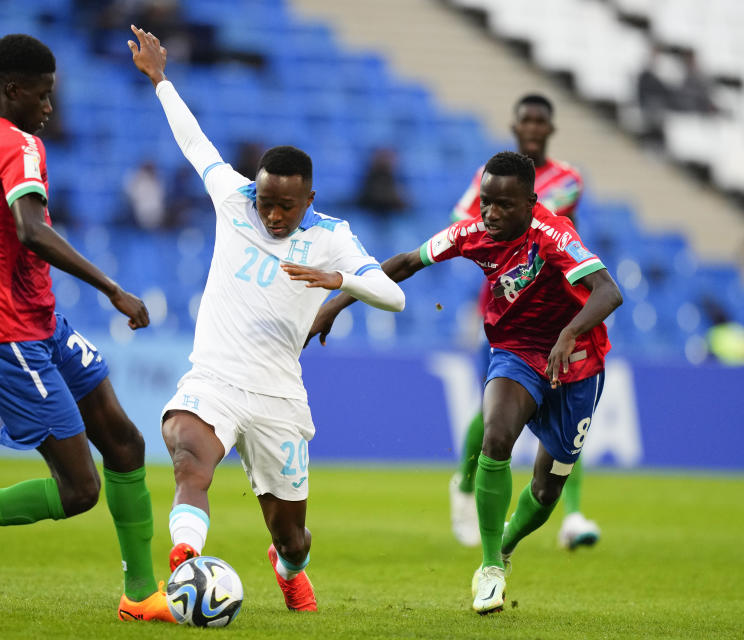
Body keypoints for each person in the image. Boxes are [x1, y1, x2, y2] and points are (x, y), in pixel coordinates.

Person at [0, 33, 175, 623]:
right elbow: (31, 230)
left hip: (39, 322)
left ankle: (141, 596)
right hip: (8, 336)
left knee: (125, 443)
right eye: (43, 96)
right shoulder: (18, 146)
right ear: (14, 90)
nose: (49, 108)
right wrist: (113, 289)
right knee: (79, 492)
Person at [127, 26, 405, 612]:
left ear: (308, 200)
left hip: (279, 393)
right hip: (216, 377)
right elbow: (196, 144)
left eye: (285, 205)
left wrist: (341, 280)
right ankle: (183, 566)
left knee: (291, 534)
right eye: (265, 201)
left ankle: (287, 566)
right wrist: (160, 81)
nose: (272, 214)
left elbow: (392, 296)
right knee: (188, 452)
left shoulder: (333, 238)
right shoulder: (233, 199)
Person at [308, 151, 622, 613]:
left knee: (546, 489)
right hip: (515, 351)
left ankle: (508, 544)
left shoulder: (553, 232)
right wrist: (339, 300)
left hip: (576, 363)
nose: (490, 213)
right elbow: (405, 264)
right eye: (486, 202)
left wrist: (570, 332)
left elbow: (609, 291)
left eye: (503, 205)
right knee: (495, 436)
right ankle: (491, 567)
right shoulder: (473, 233)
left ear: (531, 202)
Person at [447, 94, 599, 553]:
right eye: (526, 120)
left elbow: (541, 216)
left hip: (560, 312)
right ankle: (465, 485)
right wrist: (491, 212)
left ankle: (570, 514)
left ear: (550, 128)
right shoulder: (484, 177)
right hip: (503, 312)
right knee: (491, 412)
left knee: (569, 415)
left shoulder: (569, 179)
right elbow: (461, 219)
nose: (533, 127)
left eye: (541, 121)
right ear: (514, 126)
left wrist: (499, 205)